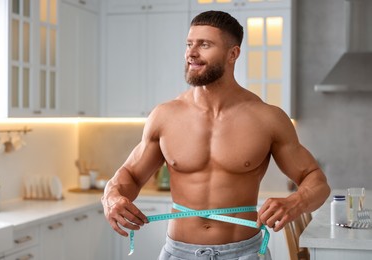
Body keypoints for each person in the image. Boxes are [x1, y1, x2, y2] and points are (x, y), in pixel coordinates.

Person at [101, 10, 330, 260]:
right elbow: (131, 175)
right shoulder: (164, 116)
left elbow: (316, 180)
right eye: (189, 44)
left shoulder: (267, 118)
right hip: (178, 253)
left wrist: (295, 202)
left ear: (233, 54)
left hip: (243, 253)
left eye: (204, 44)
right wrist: (112, 197)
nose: (191, 52)